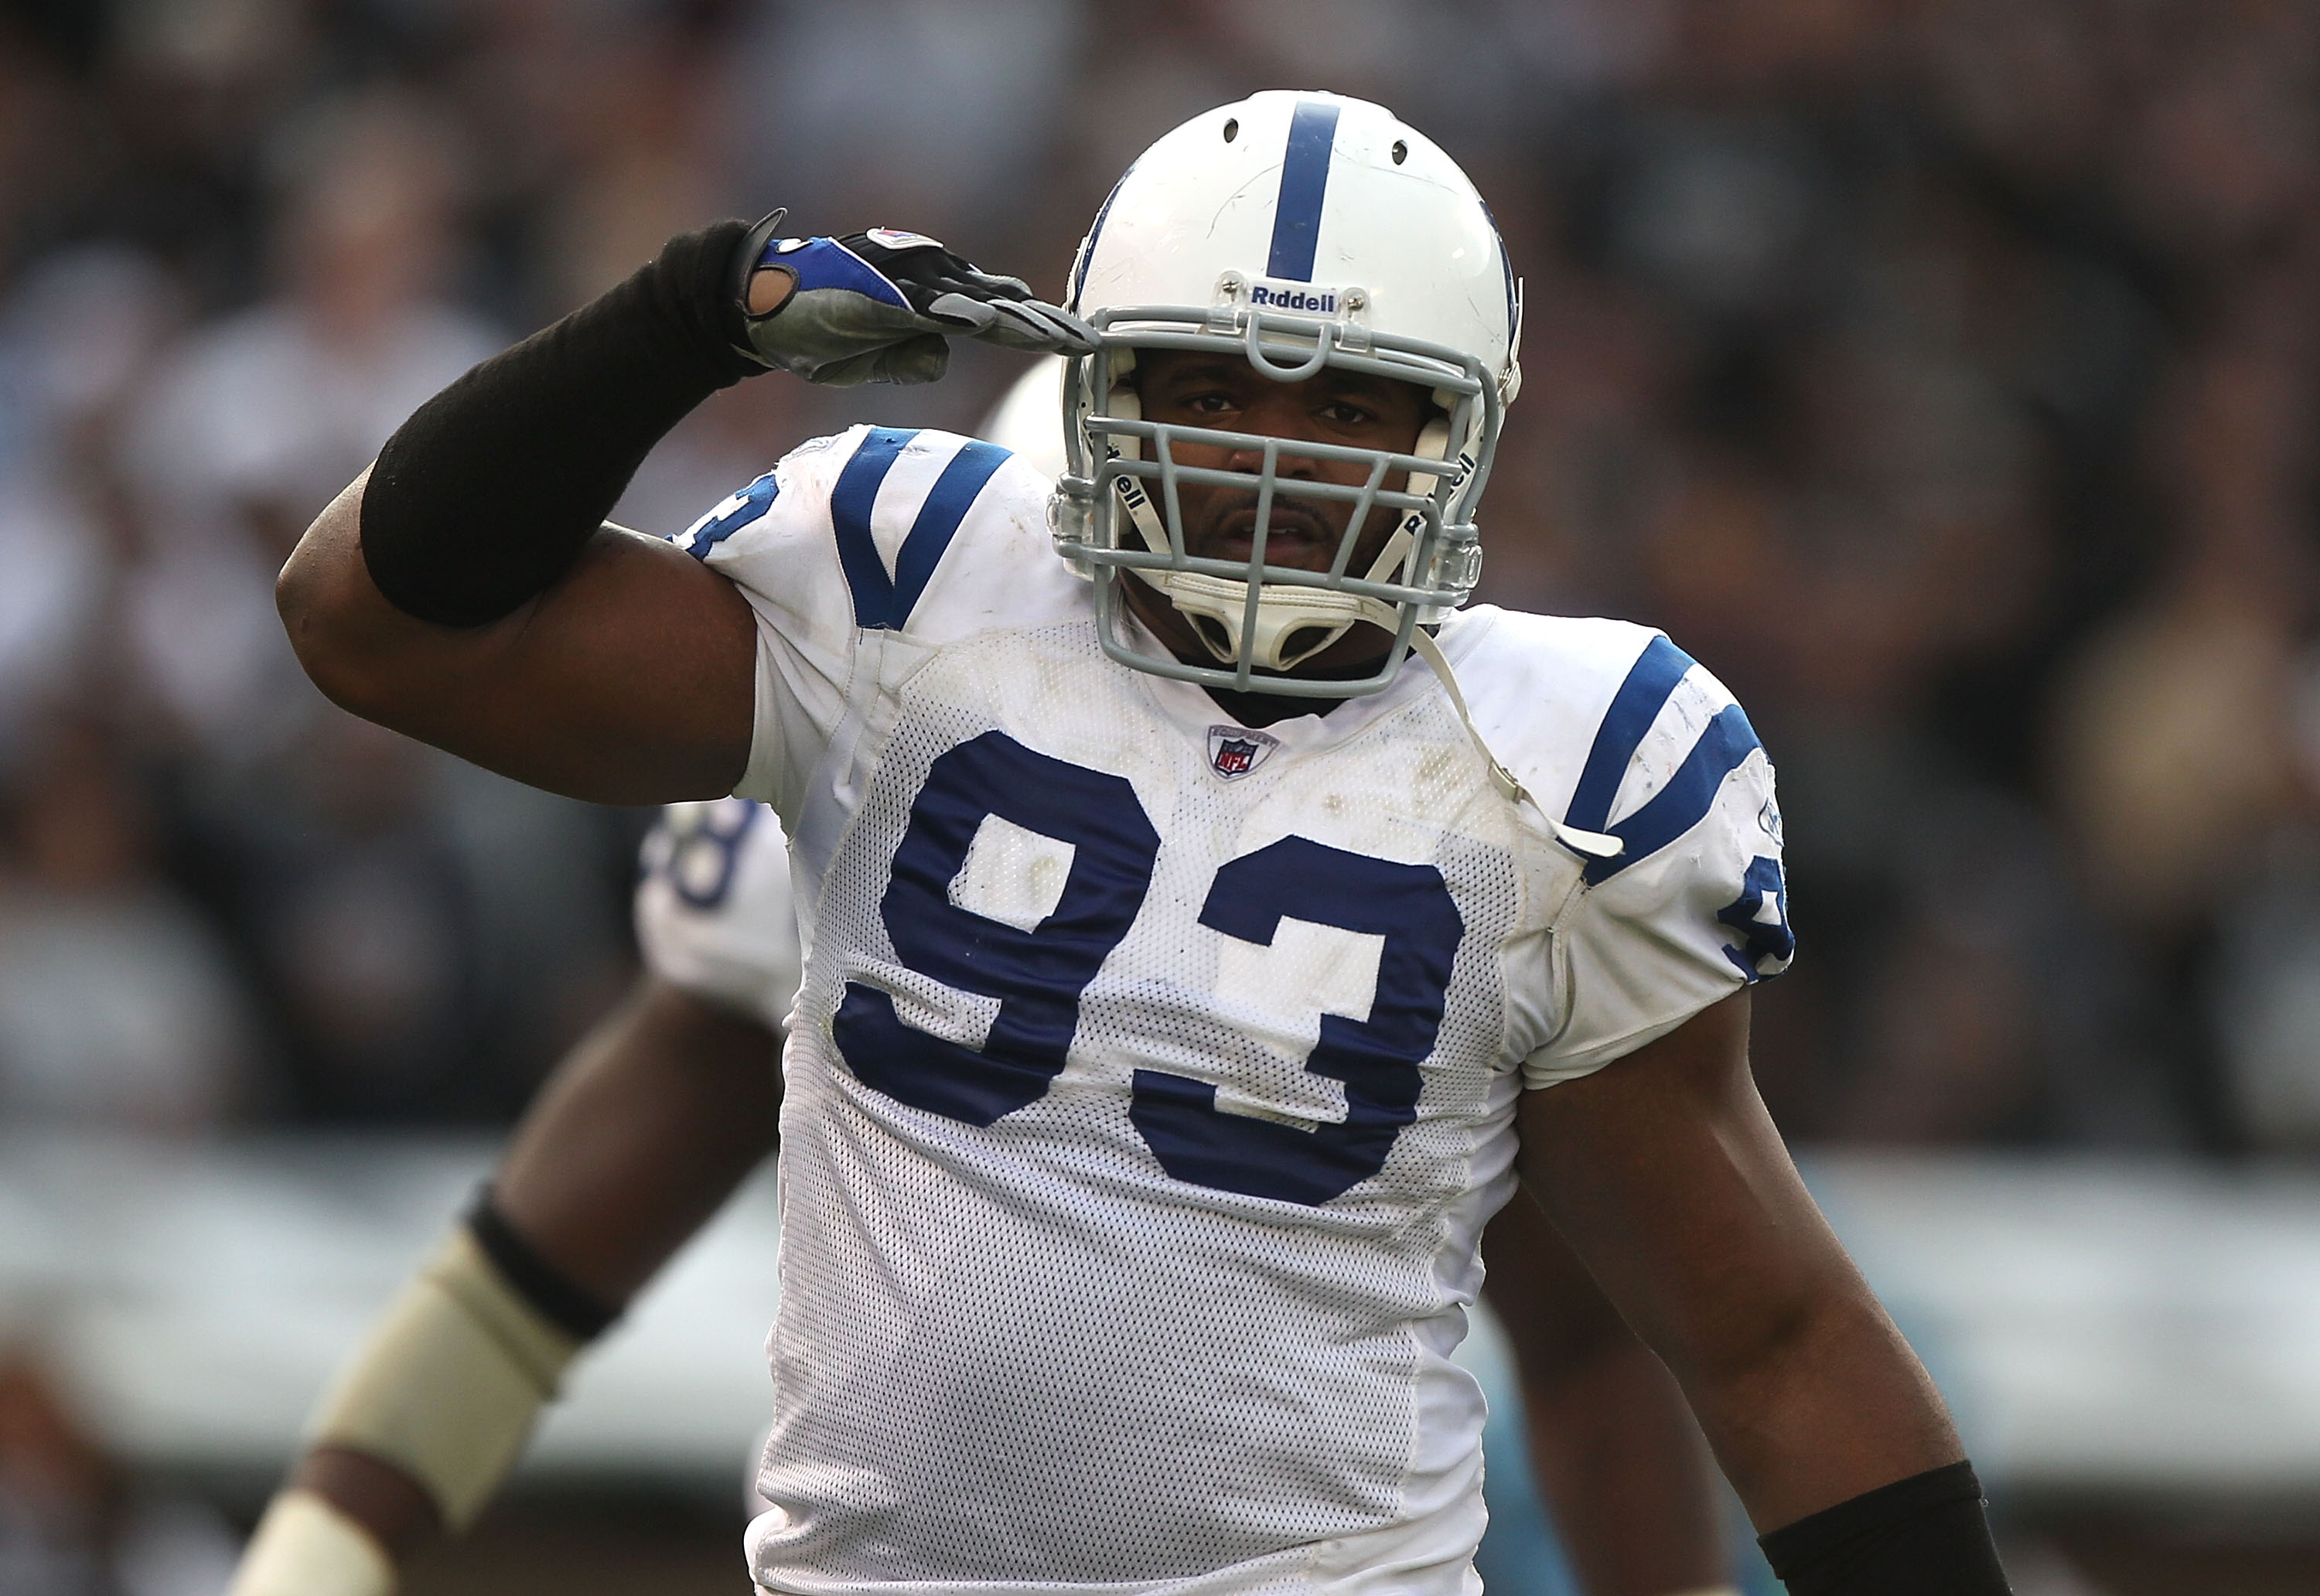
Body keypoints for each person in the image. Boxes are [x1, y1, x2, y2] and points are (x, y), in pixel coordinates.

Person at [267, 91, 2011, 1596]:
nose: (1276, 462)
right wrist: (686, 314)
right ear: (1092, 391)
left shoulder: (1559, 770)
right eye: (1213, 392)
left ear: (1463, 428)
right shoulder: (902, 600)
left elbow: (1756, 1342)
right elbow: (372, 624)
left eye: (1349, 407)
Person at [229, 363, 1736, 1596]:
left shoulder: (1450, 849)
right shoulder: (863, 733)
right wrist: (321, 1547)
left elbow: (1595, 1339)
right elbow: (545, 1252)